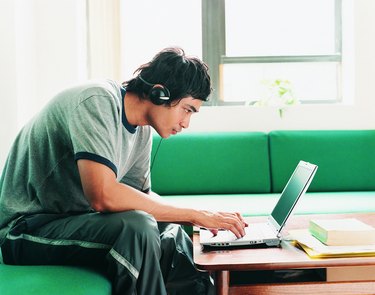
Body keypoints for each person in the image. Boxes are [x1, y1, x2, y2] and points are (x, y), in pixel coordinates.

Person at [0, 47, 247, 294]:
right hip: (24, 229)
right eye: (187, 109)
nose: (186, 123)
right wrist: (194, 214)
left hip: (71, 221)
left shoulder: (142, 132)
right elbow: (103, 195)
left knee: (172, 234)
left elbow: (139, 197)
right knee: (137, 229)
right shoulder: (97, 102)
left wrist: (202, 218)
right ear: (160, 93)